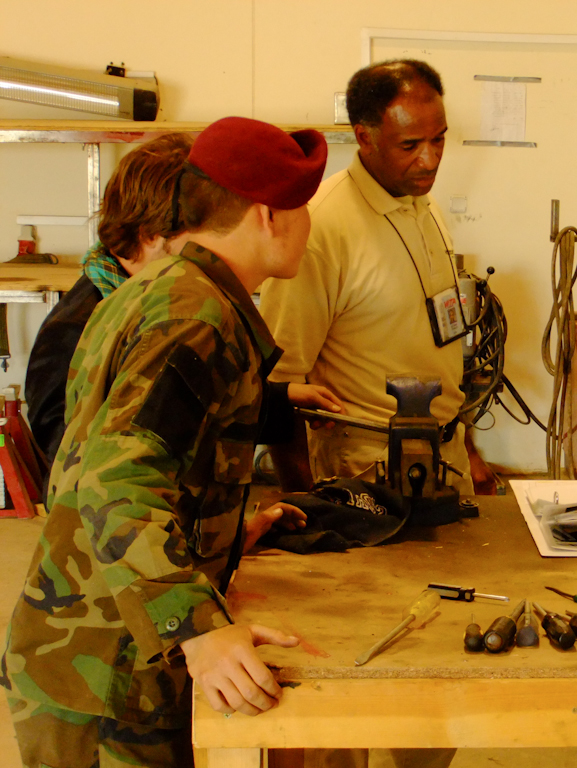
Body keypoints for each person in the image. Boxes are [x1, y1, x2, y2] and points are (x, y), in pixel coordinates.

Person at [1, 116, 339, 767]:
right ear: (270, 215)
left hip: (103, 641)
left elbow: (111, 453)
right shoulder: (195, 315)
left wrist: (211, 534)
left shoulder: (158, 289)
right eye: (305, 210)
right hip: (105, 668)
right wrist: (200, 630)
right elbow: (115, 482)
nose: (309, 228)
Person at [260, 59, 473, 497]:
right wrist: (309, 507)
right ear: (364, 136)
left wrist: (467, 447)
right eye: (410, 144)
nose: (429, 159)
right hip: (365, 469)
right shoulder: (321, 227)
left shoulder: (423, 205)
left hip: (444, 457)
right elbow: (278, 387)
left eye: (439, 139)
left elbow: (437, 346)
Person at [25, 132, 194, 466]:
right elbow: (67, 466)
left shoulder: (152, 302)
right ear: (150, 233)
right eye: (194, 232)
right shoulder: (74, 329)